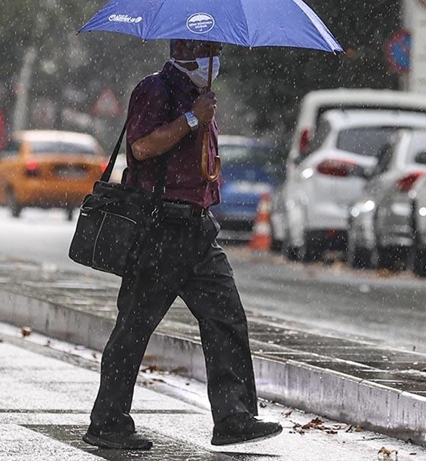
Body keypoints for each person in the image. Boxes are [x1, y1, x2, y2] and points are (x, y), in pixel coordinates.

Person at [82, 39, 282, 450]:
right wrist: (192, 119)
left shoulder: (200, 96)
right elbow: (141, 147)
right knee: (134, 328)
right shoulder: (156, 89)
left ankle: (233, 416)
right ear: (189, 53)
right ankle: (107, 422)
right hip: (160, 230)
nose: (217, 60)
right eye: (211, 52)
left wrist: (199, 115)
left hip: (197, 230)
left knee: (226, 317)